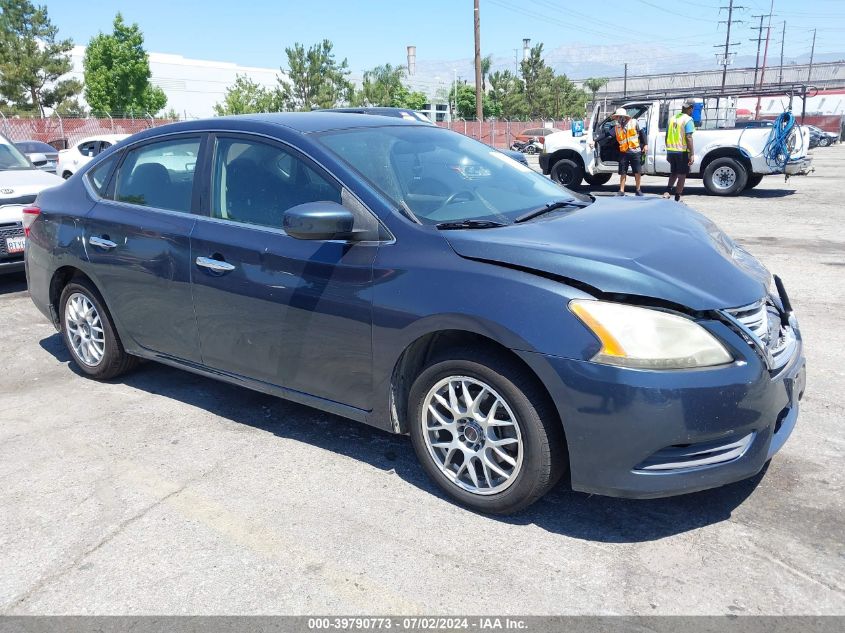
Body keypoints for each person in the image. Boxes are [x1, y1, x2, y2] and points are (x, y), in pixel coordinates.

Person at [590, 108, 648, 196]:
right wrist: (595, 140)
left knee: (637, 172)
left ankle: (638, 190)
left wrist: (645, 145)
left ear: (623, 117)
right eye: (616, 117)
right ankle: (621, 190)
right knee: (623, 172)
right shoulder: (617, 127)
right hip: (624, 152)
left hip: (635, 151)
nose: (617, 119)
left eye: (618, 117)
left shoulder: (634, 122)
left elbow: (642, 133)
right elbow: (607, 134)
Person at [663, 100, 696, 202]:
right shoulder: (688, 120)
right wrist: (692, 154)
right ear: (690, 108)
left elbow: (666, 136)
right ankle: (677, 197)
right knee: (682, 175)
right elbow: (689, 137)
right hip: (681, 151)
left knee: (674, 173)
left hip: (671, 150)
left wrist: (668, 151)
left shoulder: (672, 119)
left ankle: (667, 192)